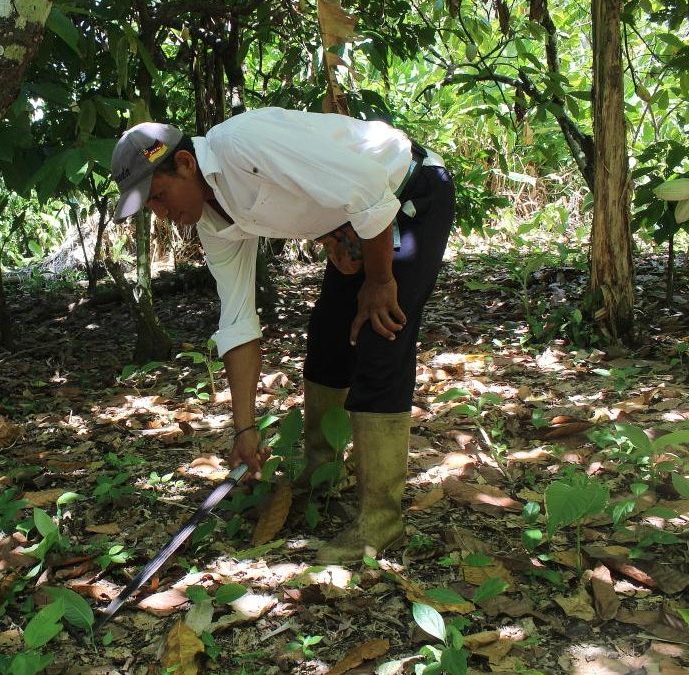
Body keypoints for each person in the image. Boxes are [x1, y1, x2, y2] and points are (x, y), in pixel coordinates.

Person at [109, 107, 455, 563]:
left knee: (380, 336)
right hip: (359, 219)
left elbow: (370, 185)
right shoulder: (214, 222)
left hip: (410, 193)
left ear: (186, 165)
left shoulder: (244, 145)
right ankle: (322, 476)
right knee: (328, 341)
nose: (162, 214)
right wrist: (244, 429)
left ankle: (381, 518)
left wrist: (379, 281)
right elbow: (237, 320)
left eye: (158, 196)